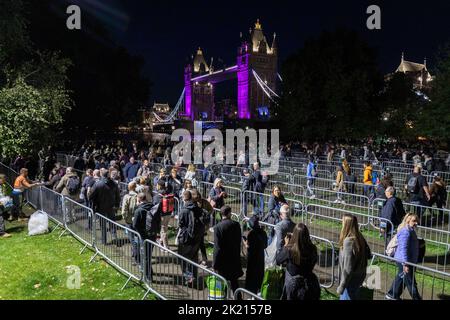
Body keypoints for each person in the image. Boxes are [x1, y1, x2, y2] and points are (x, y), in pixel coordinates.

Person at [276, 223, 320, 300]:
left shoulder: (289, 249)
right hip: (309, 282)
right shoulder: (312, 248)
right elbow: (314, 261)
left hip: (293, 284)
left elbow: (278, 260)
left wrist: (285, 245)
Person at [386, 213, 422, 300]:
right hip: (405, 261)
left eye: (417, 220)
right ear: (407, 221)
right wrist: (405, 264)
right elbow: (403, 249)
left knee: (401, 278)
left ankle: (392, 295)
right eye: (414, 221)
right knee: (410, 282)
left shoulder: (410, 230)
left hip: (407, 260)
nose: (416, 223)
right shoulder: (405, 232)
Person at [337, 214, 371, 300]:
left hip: (350, 280)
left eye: (343, 222)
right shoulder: (359, 236)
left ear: (347, 224)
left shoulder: (348, 241)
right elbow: (369, 254)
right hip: (359, 276)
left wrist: (342, 286)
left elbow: (348, 268)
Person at [213, 205, 243, 296]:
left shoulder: (218, 227)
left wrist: (215, 263)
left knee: (223, 283)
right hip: (234, 257)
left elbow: (217, 247)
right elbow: (238, 240)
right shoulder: (236, 224)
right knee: (234, 283)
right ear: (229, 213)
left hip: (223, 260)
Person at [177, 190, 206, 285]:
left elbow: (180, 224)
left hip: (186, 238)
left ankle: (189, 277)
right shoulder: (197, 207)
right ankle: (193, 276)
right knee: (193, 257)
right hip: (197, 237)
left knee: (183, 258)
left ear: (184, 198)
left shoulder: (184, 210)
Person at [88, 169, 121, 244]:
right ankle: (114, 236)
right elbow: (118, 195)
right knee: (112, 222)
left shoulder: (98, 184)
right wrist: (117, 205)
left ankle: (104, 240)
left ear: (101, 174)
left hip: (101, 207)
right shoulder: (113, 183)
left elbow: (91, 196)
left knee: (103, 224)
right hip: (111, 207)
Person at [133, 193, 160, 281]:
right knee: (148, 255)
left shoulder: (139, 210)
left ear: (139, 200)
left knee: (145, 257)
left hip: (143, 236)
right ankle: (150, 272)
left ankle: (148, 277)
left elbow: (135, 225)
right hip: (152, 234)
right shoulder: (153, 207)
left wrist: (140, 233)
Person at [243, 216, 268, 294]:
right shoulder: (263, 232)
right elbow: (265, 245)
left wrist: (244, 242)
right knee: (260, 273)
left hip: (252, 256)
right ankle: (259, 289)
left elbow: (248, 246)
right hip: (260, 256)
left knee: (251, 273)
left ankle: (251, 292)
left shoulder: (251, 234)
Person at [153, 180, 173, 248]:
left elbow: (155, 206)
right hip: (169, 213)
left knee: (163, 231)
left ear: (159, 186)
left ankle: (166, 247)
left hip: (162, 215)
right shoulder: (168, 191)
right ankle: (161, 241)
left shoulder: (158, 196)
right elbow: (170, 186)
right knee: (165, 228)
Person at [121, 181, 139, 261]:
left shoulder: (127, 196)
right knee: (137, 237)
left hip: (129, 220)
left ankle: (136, 255)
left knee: (132, 238)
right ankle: (135, 252)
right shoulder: (139, 195)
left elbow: (124, 210)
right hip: (137, 219)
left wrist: (125, 218)